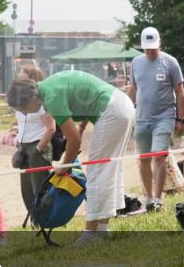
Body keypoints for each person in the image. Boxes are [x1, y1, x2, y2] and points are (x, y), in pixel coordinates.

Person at [8, 71, 135, 243]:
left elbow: (74, 141)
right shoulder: (48, 88)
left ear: (30, 99)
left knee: (97, 171)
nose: (24, 113)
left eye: (23, 109)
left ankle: (91, 233)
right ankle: (101, 229)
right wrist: (82, 127)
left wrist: (64, 165)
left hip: (113, 110)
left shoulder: (51, 99)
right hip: (120, 105)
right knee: (108, 170)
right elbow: (87, 97)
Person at [127, 27, 184, 211]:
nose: (150, 51)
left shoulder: (170, 62)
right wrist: (126, 110)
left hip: (164, 117)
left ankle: (158, 199)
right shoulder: (136, 62)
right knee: (144, 159)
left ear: (160, 43)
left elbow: (180, 91)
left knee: (159, 157)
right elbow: (133, 88)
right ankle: (149, 196)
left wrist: (180, 118)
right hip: (141, 118)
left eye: (153, 47)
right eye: (147, 48)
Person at [12, 64, 57, 222]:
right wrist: (16, 135)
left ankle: (47, 221)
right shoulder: (21, 99)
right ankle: (36, 221)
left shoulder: (41, 101)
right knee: (26, 190)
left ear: (33, 79)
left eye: (22, 77)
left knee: (39, 188)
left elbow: (51, 128)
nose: (18, 80)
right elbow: (21, 122)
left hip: (38, 145)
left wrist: (38, 149)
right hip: (23, 147)